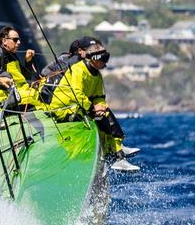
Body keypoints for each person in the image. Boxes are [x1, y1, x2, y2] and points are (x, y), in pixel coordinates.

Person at [46, 37, 140, 171]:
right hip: (64, 108)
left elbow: (99, 97)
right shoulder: (78, 70)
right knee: (99, 116)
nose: (106, 64)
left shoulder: (97, 75)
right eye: (104, 60)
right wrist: (92, 107)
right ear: (95, 58)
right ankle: (115, 153)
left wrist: (100, 107)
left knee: (105, 113)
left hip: (80, 107)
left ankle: (117, 151)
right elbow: (76, 93)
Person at [0, 26, 42, 116]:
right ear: (4, 41)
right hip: (13, 102)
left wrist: (28, 61)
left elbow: (24, 78)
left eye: (18, 39)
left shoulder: (12, 55)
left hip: (23, 95)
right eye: (15, 39)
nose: (19, 42)